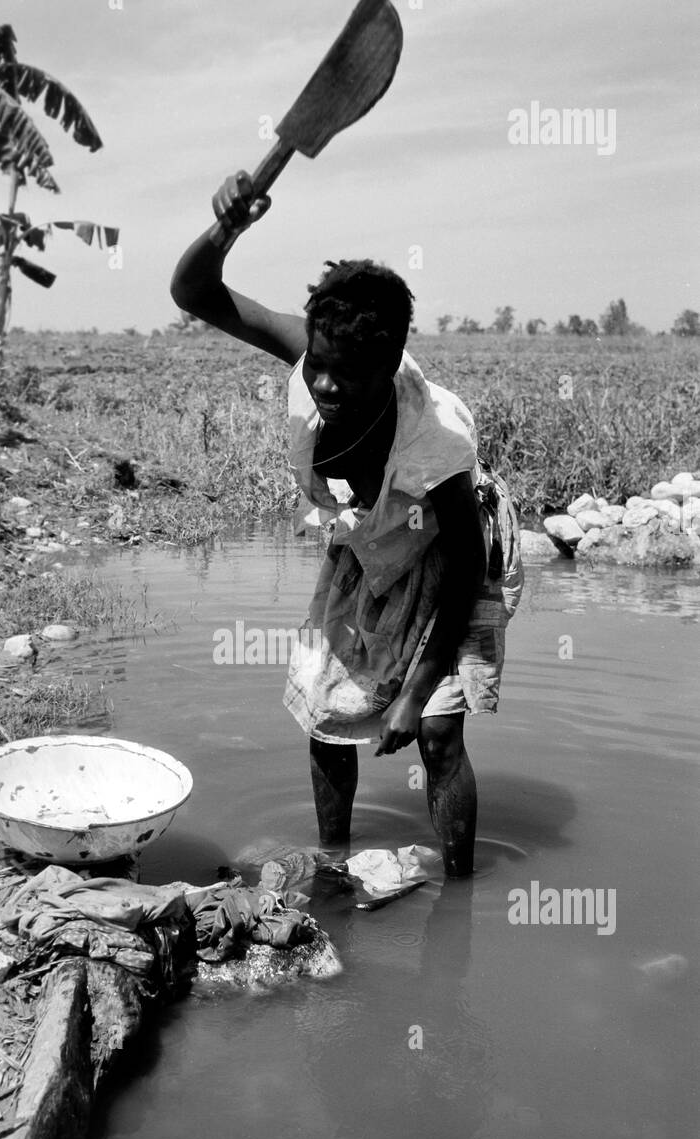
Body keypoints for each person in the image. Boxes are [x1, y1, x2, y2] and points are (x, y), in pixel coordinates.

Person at [170, 171, 523, 877]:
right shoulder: (318, 348)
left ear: (391, 366)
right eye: (320, 368)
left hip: (454, 556)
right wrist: (227, 227)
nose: (326, 386)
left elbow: (462, 570)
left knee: (437, 735)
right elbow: (195, 293)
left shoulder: (437, 450)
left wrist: (418, 692)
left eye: (350, 376)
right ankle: (332, 869)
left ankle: (459, 898)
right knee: (325, 714)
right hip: (370, 539)